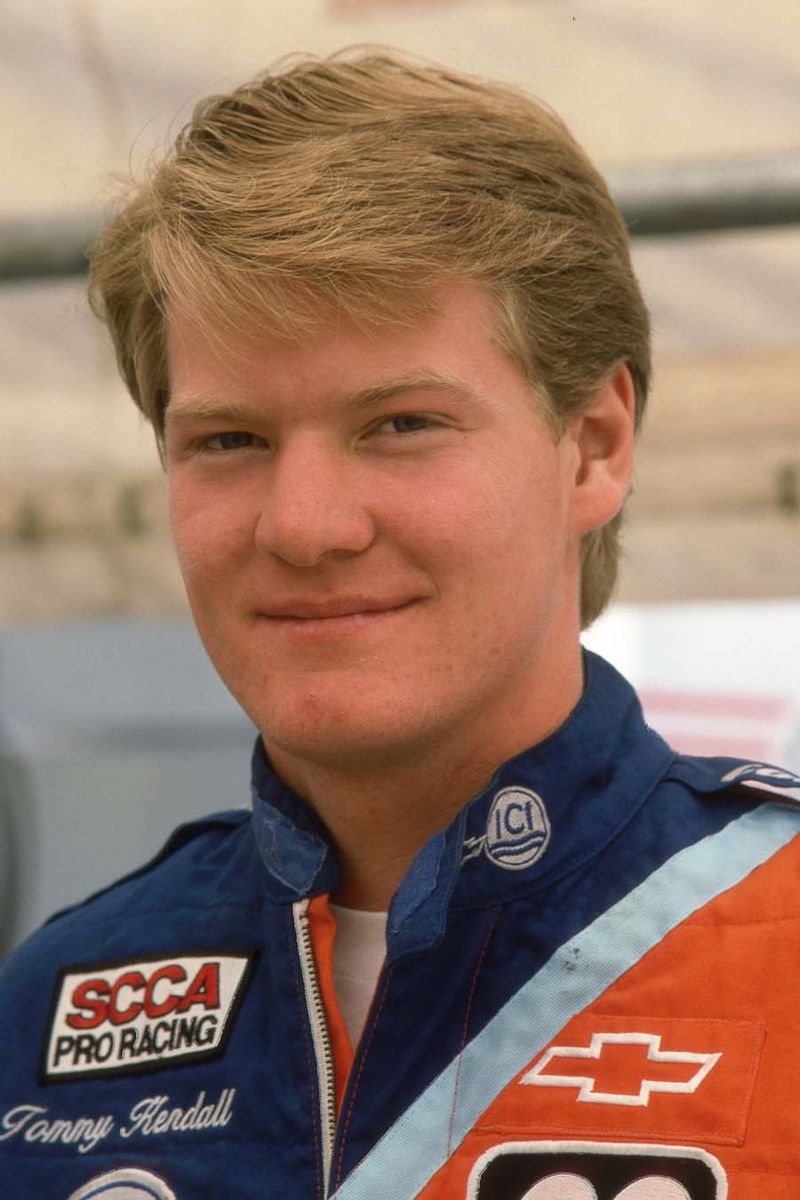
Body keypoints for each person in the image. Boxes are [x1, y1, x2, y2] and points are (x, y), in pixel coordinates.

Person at [1, 49, 800, 1200]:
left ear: (592, 447)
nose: (303, 525)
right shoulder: (52, 1001)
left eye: (400, 424)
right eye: (229, 440)